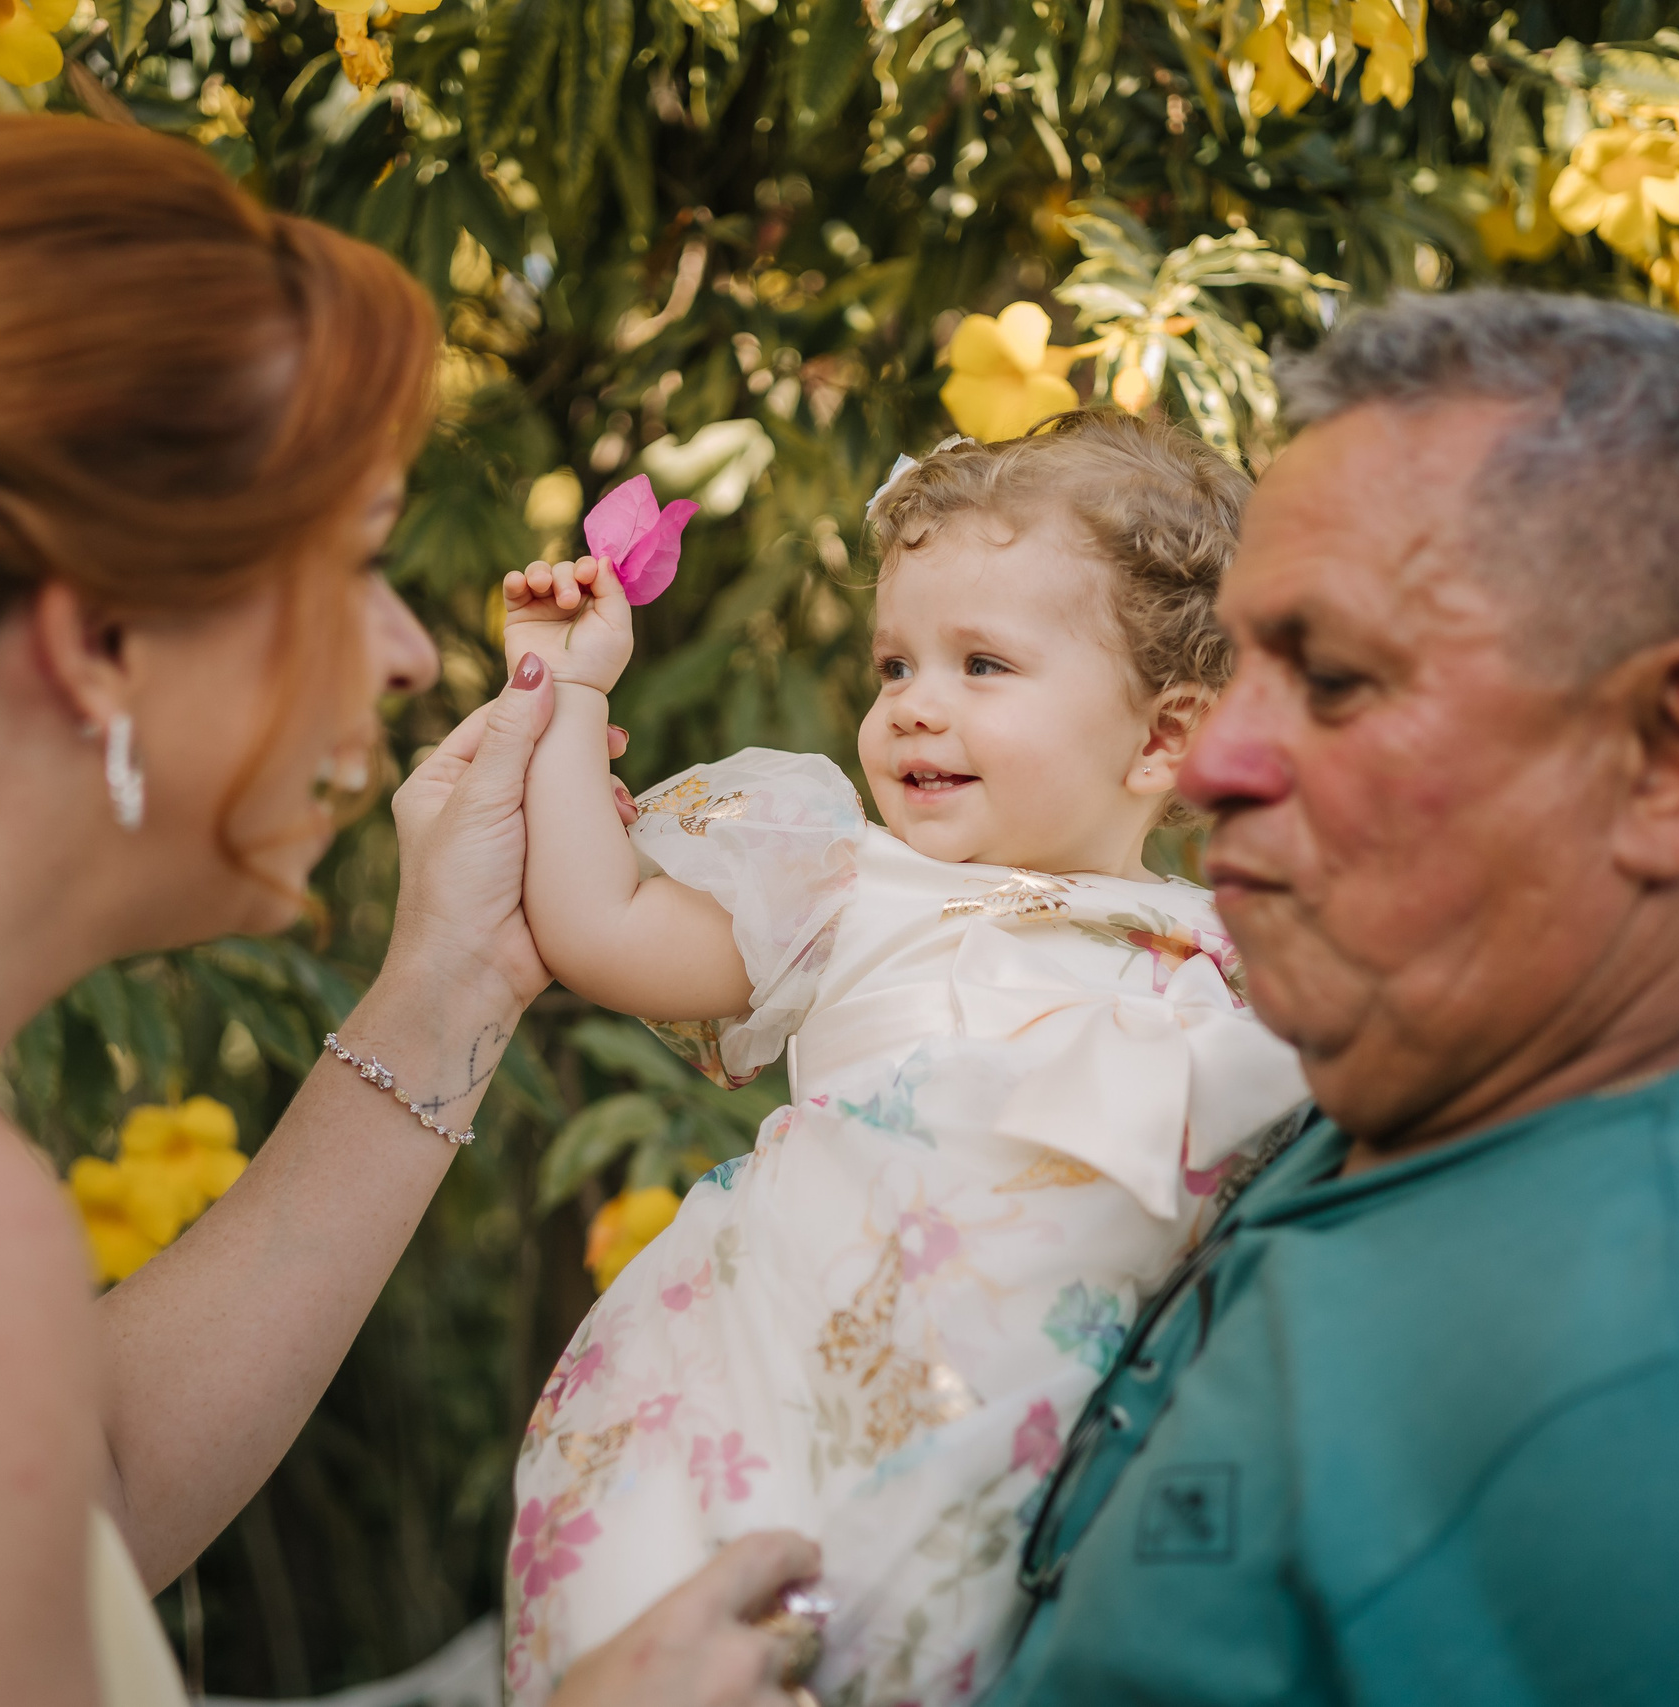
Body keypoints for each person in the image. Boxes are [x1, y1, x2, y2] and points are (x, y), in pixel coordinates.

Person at [0, 116, 817, 1706]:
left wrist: (455, 980)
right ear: (99, 640)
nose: (403, 651)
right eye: (362, 564)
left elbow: (49, 1496)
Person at [978, 292, 1679, 1702]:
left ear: (1667, 757)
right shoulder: (1468, 1052)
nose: (1211, 760)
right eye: (1241, 670)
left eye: (1337, 678)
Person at [495, 416, 1308, 1706]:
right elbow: (600, 930)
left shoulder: (1234, 952)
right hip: (789, 1385)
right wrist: (570, 691)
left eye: (983, 664)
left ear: (1164, 738)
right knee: (733, 1616)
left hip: (1040, 1452)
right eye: (893, 666)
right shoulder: (848, 884)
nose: (913, 704)